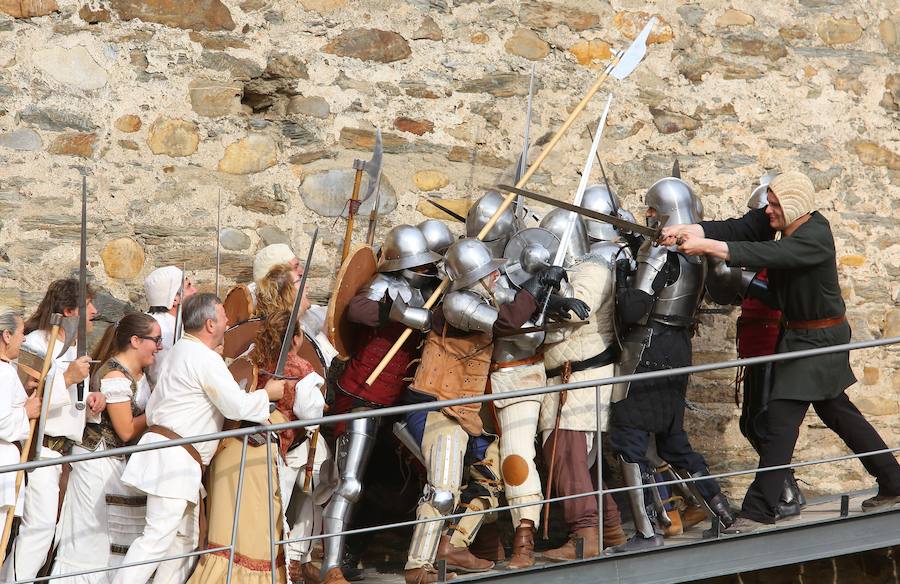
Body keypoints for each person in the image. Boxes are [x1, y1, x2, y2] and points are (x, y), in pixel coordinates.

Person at [664, 170, 900, 532]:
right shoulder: (780, 219)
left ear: (793, 207)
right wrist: (694, 230)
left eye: (775, 205)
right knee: (838, 412)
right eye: (769, 204)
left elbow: (768, 251)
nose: (768, 212)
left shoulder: (814, 236)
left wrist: (708, 247)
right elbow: (741, 228)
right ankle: (894, 483)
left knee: (779, 421)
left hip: (820, 341)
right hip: (799, 339)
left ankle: (758, 511)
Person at [402, 238, 567, 584]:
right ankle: (417, 566)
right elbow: (507, 323)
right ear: (475, 275)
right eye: (490, 271)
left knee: (491, 478)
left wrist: (555, 296)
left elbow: (519, 308)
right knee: (443, 489)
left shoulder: (483, 296)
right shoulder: (457, 303)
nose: (497, 276)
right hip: (438, 405)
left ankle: (451, 544)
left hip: (465, 410)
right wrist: (536, 284)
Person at [111, 293, 285, 584]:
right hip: (173, 459)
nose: (228, 320)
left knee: (185, 541)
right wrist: (268, 394)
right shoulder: (202, 357)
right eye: (223, 316)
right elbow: (236, 406)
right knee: (155, 539)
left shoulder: (181, 351)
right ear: (209, 323)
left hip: (177, 458)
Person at [608, 177, 735, 552]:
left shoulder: (658, 253)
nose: (647, 216)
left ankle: (647, 533)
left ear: (665, 214)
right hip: (678, 346)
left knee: (628, 436)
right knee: (672, 439)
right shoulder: (697, 254)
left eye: (651, 211)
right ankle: (723, 513)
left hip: (649, 348)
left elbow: (633, 310)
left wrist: (620, 278)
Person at [320, 225, 441, 584]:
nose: (426, 272)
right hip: (362, 397)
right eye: (420, 266)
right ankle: (330, 565)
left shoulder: (434, 292)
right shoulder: (384, 287)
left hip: (397, 402)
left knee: (409, 480)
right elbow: (357, 310)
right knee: (350, 483)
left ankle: (359, 549)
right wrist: (399, 313)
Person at [189, 310, 325, 584]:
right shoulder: (301, 371)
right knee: (258, 534)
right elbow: (312, 413)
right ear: (297, 339)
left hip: (228, 450)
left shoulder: (246, 359)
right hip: (259, 458)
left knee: (225, 530)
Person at [538, 201, 628, 561]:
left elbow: (578, 310)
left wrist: (549, 299)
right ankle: (610, 528)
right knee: (580, 464)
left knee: (566, 458)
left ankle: (584, 538)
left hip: (580, 379)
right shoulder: (573, 272)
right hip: (568, 380)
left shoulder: (591, 270)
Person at [1, 279, 101, 581]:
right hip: (41, 448)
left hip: (63, 453)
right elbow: (26, 402)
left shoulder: (71, 348)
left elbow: (73, 407)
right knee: (39, 529)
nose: (95, 311)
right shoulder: (35, 345)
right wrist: (67, 379)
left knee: (50, 529)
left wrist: (93, 402)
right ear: (69, 311)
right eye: (88, 306)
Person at [51, 313, 161, 582]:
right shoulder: (114, 375)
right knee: (92, 541)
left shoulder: (141, 374)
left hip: (116, 464)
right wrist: (157, 412)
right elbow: (125, 430)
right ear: (136, 341)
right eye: (156, 340)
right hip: (97, 462)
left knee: (116, 539)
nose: (159, 346)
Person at [0, 308, 41, 521]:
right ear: (7, 335)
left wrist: (23, 394)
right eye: (21, 333)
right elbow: (2, 423)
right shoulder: (3, 372)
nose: (24, 339)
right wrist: (26, 412)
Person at [144, 266, 197, 386]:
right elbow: (163, 377)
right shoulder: (160, 328)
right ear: (174, 299)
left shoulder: (172, 321)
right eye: (188, 286)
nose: (195, 290)